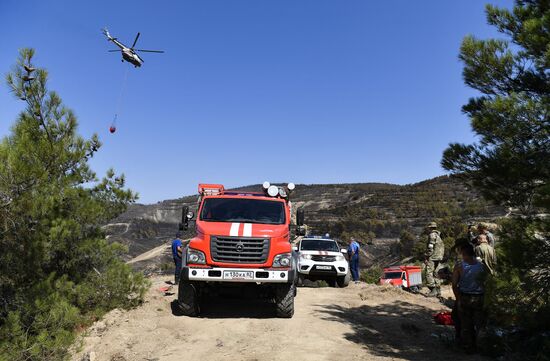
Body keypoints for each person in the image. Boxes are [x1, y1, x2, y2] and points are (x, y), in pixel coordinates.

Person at [452, 243, 486, 353]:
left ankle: (468, 346)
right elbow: (486, 282)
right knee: (479, 324)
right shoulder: (482, 265)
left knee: (466, 324)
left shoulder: (459, 266)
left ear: (463, 253)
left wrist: (458, 299)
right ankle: (481, 346)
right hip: (479, 297)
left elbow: (454, 284)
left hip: (465, 297)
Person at [424, 222, 444, 297]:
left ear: (430, 228)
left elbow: (430, 247)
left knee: (428, 272)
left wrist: (427, 256)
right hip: (439, 257)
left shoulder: (432, 235)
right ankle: (438, 291)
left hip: (433, 256)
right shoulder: (439, 235)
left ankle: (432, 290)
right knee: (436, 273)